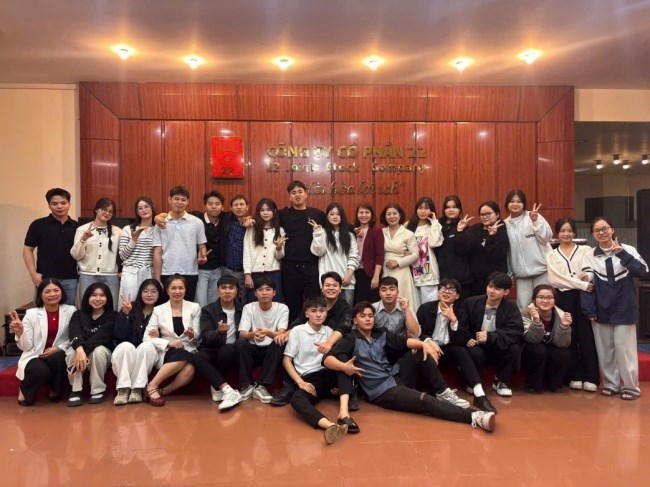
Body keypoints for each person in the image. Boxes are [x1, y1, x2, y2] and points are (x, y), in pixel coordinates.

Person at [324, 302, 496, 433]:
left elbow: (405, 341)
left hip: (395, 376)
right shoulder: (350, 339)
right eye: (363, 316)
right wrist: (344, 367)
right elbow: (327, 359)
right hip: (383, 392)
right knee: (425, 401)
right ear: (355, 320)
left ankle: (442, 391)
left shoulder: (380, 333)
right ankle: (474, 416)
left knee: (418, 351)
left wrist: (424, 344)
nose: (368, 319)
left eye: (370, 315)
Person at [373, 276, 469, 408]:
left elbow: (416, 333)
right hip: (378, 356)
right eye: (384, 290)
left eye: (392, 289)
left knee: (421, 349)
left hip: (399, 354)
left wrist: (406, 310)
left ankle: (442, 391)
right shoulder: (371, 310)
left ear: (398, 292)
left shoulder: (405, 308)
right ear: (379, 292)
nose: (388, 293)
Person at [582, 217, 649, 400]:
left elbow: (643, 272)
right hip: (600, 309)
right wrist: (589, 310)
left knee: (624, 350)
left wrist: (623, 255)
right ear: (593, 234)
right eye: (597, 230)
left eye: (605, 228)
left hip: (624, 308)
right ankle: (611, 384)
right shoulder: (590, 256)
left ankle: (631, 388)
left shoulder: (628, 250)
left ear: (612, 229)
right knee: (605, 351)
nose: (601, 233)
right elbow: (587, 285)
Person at [416, 278, 497, 413]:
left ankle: (480, 395)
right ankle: (436, 392)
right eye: (443, 288)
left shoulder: (460, 313)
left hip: (448, 350)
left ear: (457, 296)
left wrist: (453, 321)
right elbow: (418, 332)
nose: (446, 292)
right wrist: (429, 342)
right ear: (438, 292)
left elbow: (462, 340)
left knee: (461, 351)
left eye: (451, 290)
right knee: (424, 353)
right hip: (429, 348)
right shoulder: (425, 309)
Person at [284, 297, 357, 445]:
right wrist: (300, 382)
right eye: (314, 311)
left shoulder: (330, 332)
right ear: (306, 314)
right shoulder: (298, 331)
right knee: (297, 400)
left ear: (326, 313)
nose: (318, 314)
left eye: (322, 311)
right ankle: (330, 426)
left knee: (342, 364)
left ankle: (344, 414)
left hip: (328, 373)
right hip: (310, 378)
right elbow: (286, 360)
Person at [547, 217, 599, 392]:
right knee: (569, 335)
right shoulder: (552, 254)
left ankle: (591, 377)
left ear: (574, 232)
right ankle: (574, 375)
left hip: (584, 297)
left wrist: (587, 278)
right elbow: (555, 280)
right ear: (557, 234)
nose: (566, 234)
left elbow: (591, 271)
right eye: (562, 231)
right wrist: (580, 283)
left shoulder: (585, 250)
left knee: (586, 335)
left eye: (569, 230)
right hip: (563, 297)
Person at [10, 279, 75, 406]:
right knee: (41, 370)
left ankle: (54, 390)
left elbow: (73, 337)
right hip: (36, 354)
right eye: (47, 291)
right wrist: (20, 333)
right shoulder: (31, 314)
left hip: (58, 352)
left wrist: (58, 348)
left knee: (59, 359)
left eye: (56, 290)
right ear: (40, 295)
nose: (52, 294)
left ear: (62, 292)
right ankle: (24, 390)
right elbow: (26, 347)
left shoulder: (71, 311)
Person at [463, 272, 523, 397]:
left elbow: (515, 331)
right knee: (474, 352)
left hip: (497, 344)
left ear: (506, 292)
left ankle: (501, 381)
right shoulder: (471, 302)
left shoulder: (511, 308)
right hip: (476, 344)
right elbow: (462, 325)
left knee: (514, 348)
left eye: (497, 288)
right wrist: (468, 338)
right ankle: (474, 381)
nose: (491, 291)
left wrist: (490, 336)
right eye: (490, 286)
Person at [143, 275, 200, 406]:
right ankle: (152, 386)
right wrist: (168, 343)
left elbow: (198, 335)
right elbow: (146, 337)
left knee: (190, 369)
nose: (177, 291)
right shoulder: (158, 310)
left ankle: (163, 391)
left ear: (185, 290)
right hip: (168, 350)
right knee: (184, 356)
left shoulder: (195, 307)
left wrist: (192, 335)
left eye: (181, 288)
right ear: (167, 290)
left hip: (188, 347)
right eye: (173, 288)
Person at [194, 275, 244, 411]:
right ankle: (226, 389)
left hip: (232, 351)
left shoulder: (243, 309)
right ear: (218, 291)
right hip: (212, 348)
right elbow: (205, 336)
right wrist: (218, 332)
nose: (227, 291)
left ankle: (217, 387)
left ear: (237, 291)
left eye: (231, 288)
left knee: (227, 350)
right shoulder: (208, 310)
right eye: (223, 288)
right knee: (197, 357)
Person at [279, 180, 327, 321]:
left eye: (300, 192)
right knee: (292, 305)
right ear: (289, 197)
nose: (297, 195)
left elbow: (334, 225)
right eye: (293, 193)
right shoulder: (282, 215)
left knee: (314, 304)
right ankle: (294, 331)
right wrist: (250, 220)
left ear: (306, 194)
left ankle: (313, 330)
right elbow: (265, 219)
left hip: (311, 266)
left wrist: (353, 229)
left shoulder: (318, 214)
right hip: (290, 267)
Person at [111, 279, 164, 405]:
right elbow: (118, 334)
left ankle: (137, 389)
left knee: (147, 346)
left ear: (159, 294)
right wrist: (125, 314)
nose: (149, 294)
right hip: (126, 352)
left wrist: (159, 335)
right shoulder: (130, 307)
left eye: (153, 291)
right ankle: (123, 390)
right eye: (145, 291)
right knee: (126, 346)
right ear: (140, 293)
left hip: (147, 354)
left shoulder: (162, 311)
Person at [236, 278, 289, 403]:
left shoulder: (282, 308)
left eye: (268, 289)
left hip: (271, 351)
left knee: (279, 342)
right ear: (255, 293)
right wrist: (253, 334)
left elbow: (282, 333)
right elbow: (242, 333)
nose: (264, 293)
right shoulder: (249, 307)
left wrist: (267, 333)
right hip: (253, 350)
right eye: (260, 290)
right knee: (240, 343)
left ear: (274, 292)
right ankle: (247, 385)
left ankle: (261, 386)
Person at [23, 188, 79, 305]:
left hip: (71, 279)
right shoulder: (38, 224)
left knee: (68, 312)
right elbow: (28, 249)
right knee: (41, 312)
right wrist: (33, 274)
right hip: (45, 278)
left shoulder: (77, 227)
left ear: (69, 204)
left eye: (63, 203)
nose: (59, 206)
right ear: (49, 205)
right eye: (54, 204)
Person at [152, 186, 208, 302]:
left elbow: (202, 247)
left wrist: (202, 257)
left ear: (188, 201)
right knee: (167, 308)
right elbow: (157, 253)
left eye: (183, 200)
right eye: (176, 199)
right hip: (167, 272)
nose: (180, 202)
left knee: (188, 307)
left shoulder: (197, 222)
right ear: (170, 199)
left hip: (190, 272)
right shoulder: (161, 223)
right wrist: (157, 279)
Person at [66, 282, 117, 406]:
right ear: (87, 297)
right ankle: (76, 390)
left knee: (98, 351)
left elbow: (102, 337)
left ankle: (97, 390)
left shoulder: (113, 316)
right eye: (94, 295)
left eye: (102, 295)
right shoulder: (78, 315)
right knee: (72, 352)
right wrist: (79, 350)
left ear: (108, 298)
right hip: (82, 349)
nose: (98, 299)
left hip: (102, 353)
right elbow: (74, 332)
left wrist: (83, 351)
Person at [504, 189, 553, 310]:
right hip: (521, 275)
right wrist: (510, 273)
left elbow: (546, 238)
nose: (515, 204)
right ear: (507, 204)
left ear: (524, 204)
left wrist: (535, 221)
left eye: (519, 201)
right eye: (512, 201)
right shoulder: (505, 224)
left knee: (544, 305)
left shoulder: (533, 216)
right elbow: (507, 252)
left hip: (542, 270)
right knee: (523, 308)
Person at [70, 198, 121, 309]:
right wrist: (83, 239)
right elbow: (76, 255)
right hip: (87, 274)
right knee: (86, 307)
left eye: (110, 211)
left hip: (110, 275)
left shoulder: (117, 231)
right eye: (104, 210)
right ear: (96, 210)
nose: (107, 213)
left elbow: (123, 253)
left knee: (111, 307)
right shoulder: (82, 229)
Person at [521, 285, 572, 393]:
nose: (545, 301)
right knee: (538, 350)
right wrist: (536, 321)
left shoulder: (561, 314)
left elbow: (562, 344)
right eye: (541, 297)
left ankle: (553, 384)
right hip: (531, 348)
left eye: (549, 298)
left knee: (563, 353)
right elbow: (531, 339)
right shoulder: (526, 313)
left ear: (555, 300)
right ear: (534, 300)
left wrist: (564, 326)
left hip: (551, 348)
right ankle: (533, 385)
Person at [310, 202, 359, 305]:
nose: (335, 217)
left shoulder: (349, 235)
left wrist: (349, 274)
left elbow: (354, 256)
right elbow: (318, 252)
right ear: (327, 216)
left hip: (346, 281)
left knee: (346, 312)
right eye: (332, 214)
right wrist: (317, 233)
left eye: (338, 214)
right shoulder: (322, 233)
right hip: (327, 283)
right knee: (326, 312)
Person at [243, 197, 286, 303]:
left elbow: (280, 256)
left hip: (274, 273)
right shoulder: (251, 229)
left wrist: (279, 248)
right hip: (255, 273)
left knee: (275, 303)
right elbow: (246, 252)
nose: (265, 213)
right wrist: (247, 274)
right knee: (253, 303)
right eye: (262, 210)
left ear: (274, 211)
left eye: (268, 210)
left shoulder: (279, 230)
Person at [466, 201, 510, 298]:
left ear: (497, 214)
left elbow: (498, 255)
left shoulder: (502, 230)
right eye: (482, 214)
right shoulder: (474, 229)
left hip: (495, 280)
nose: (485, 217)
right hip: (476, 280)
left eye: (488, 214)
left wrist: (492, 237)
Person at [380, 203, 419, 313]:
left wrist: (398, 262)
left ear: (400, 215)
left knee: (402, 298)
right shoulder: (381, 232)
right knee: (386, 296)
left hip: (401, 270)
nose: (392, 216)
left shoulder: (408, 234)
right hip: (385, 269)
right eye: (388, 214)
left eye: (394, 213)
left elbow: (415, 255)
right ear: (385, 216)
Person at [435, 195, 473, 302]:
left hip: (461, 279)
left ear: (459, 209)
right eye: (448, 207)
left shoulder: (465, 227)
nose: (451, 210)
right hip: (441, 276)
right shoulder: (437, 226)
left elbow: (463, 250)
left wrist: (459, 232)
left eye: (454, 207)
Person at [406, 197, 443, 304]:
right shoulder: (408, 225)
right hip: (411, 271)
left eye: (426, 208)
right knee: (414, 305)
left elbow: (434, 243)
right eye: (420, 208)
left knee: (429, 305)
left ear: (431, 210)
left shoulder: (433, 226)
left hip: (428, 272)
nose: (423, 211)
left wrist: (434, 222)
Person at [118, 197, 156, 302]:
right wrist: (134, 239)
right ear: (137, 211)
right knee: (129, 303)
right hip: (131, 272)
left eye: (146, 207)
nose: (144, 210)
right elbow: (122, 256)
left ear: (152, 208)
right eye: (140, 208)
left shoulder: (158, 229)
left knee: (148, 303)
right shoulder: (128, 229)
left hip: (150, 271)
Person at [195, 190, 226, 308]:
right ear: (205, 206)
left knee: (214, 304)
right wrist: (157, 218)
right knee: (200, 303)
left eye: (217, 204)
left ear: (222, 207)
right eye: (210, 204)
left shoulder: (225, 219)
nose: (214, 207)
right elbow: (173, 214)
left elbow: (243, 217)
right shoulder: (196, 218)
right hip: (200, 269)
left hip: (218, 269)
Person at [353, 202, 384, 304]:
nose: (364, 215)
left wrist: (376, 276)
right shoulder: (353, 231)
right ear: (357, 214)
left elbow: (380, 255)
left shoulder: (376, 231)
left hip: (370, 273)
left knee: (370, 303)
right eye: (361, 212)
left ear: (371, 215)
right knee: (357, 303)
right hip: (354, 272)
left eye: (367, 212)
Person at [221, 194, 251, 300]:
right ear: (231, 208)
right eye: (236, 205)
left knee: (243, 300)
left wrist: (253, 220)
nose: (239, 207)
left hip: (244, 271)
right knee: (227, 298)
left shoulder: (252, 224)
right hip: (227, 269)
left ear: (247, 207)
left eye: (241, 204)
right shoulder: (225, 220)